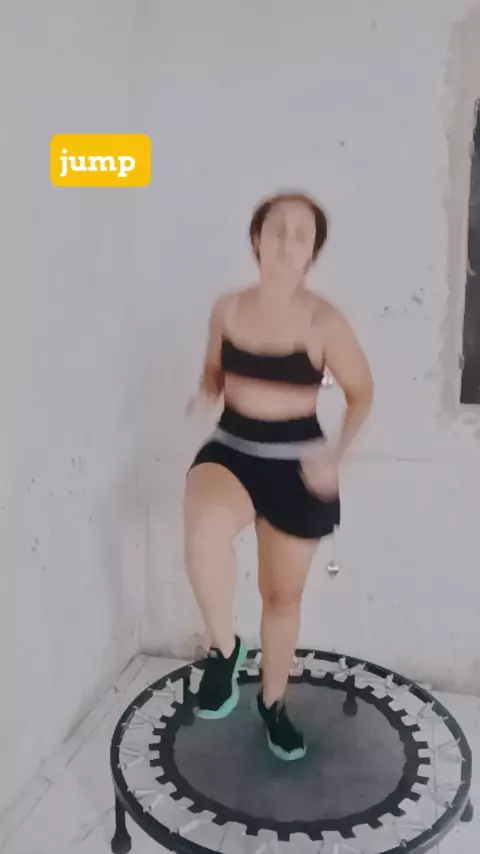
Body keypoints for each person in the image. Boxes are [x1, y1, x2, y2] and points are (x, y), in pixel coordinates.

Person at [183, 190, 373, 761]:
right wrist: (204, 394)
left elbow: (362, 395)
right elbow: (215, 375)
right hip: (233, 448)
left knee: (281, 597)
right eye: (277, 229)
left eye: (301, 234)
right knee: (204, 533)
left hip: (298, 462)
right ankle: (224, 650)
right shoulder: (226, 310)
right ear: (256, 238)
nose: (287, 242)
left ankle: (272, 703)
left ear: (312, 252)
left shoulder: (324, 321)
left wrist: (334, 456)